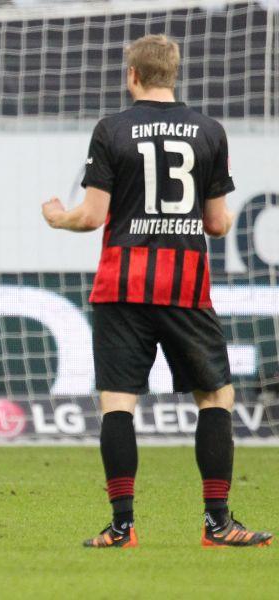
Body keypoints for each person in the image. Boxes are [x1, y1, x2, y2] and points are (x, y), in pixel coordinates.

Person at [41, 34, 272, 548]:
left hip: (122, 285)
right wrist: (228, 213)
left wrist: (58, 218)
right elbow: (216, 224)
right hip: (185, 286)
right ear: (175, 73)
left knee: (118, 402)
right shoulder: (209, 132)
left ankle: (122, 527)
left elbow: (92, 217)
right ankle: (218, 524)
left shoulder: (111, 129)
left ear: (133, 75)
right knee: (215, 395)